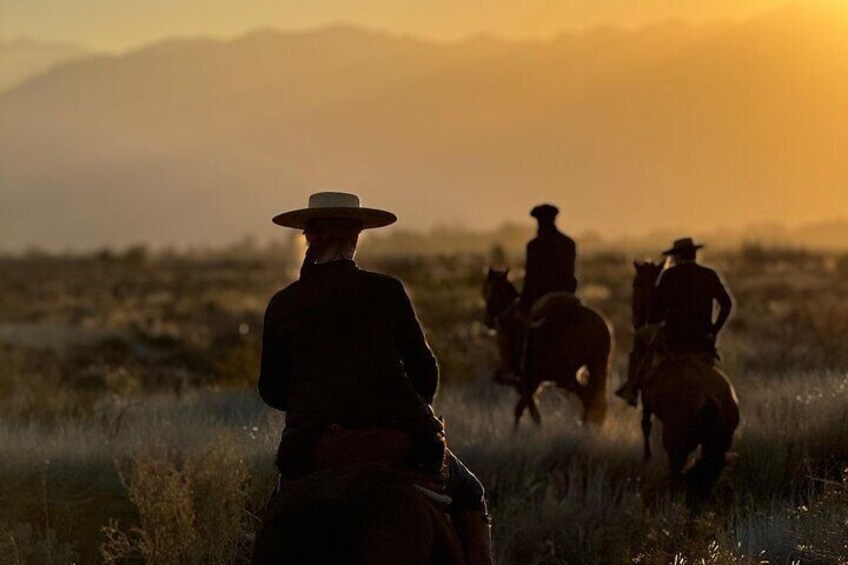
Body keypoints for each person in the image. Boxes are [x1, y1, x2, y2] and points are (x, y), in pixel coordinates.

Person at [258, 192, 493, 565]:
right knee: (469, 493)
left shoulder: (283, 303)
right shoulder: (387, 291)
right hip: (398, 441)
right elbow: (425, 372)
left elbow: (270, 390)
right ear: (355, 238)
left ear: (308, 237)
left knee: (276, 515)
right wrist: (412, 407)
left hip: (313, 447)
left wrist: (315, 406)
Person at [617, 237, 734, 406]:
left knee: (640, 337)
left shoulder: (669, 276)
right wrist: (714, 331)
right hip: (702, 338)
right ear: (694, 254)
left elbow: (655, 312)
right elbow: (727, 304)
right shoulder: (709, 274)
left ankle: (633, 387)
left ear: (677, 257)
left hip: (673, 336)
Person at [519, 204, 578, 315]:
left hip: (542, 297)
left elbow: (530, 278)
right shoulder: (568, 243)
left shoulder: (534, 246)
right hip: (568, 294)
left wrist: (523, 304)